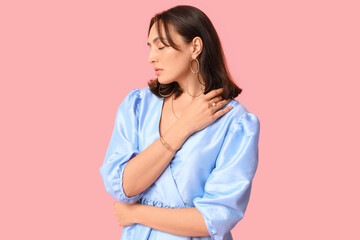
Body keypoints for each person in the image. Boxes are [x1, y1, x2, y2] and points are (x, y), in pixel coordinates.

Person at [99, 5, 260, 240]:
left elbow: (213, 219)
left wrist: (136, 213)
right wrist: (185, 125)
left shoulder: (236, 124)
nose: (150, 57)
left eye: (161, 47)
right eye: (150, 47)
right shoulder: (138, 105)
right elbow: (124, 187)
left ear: (195, 47)